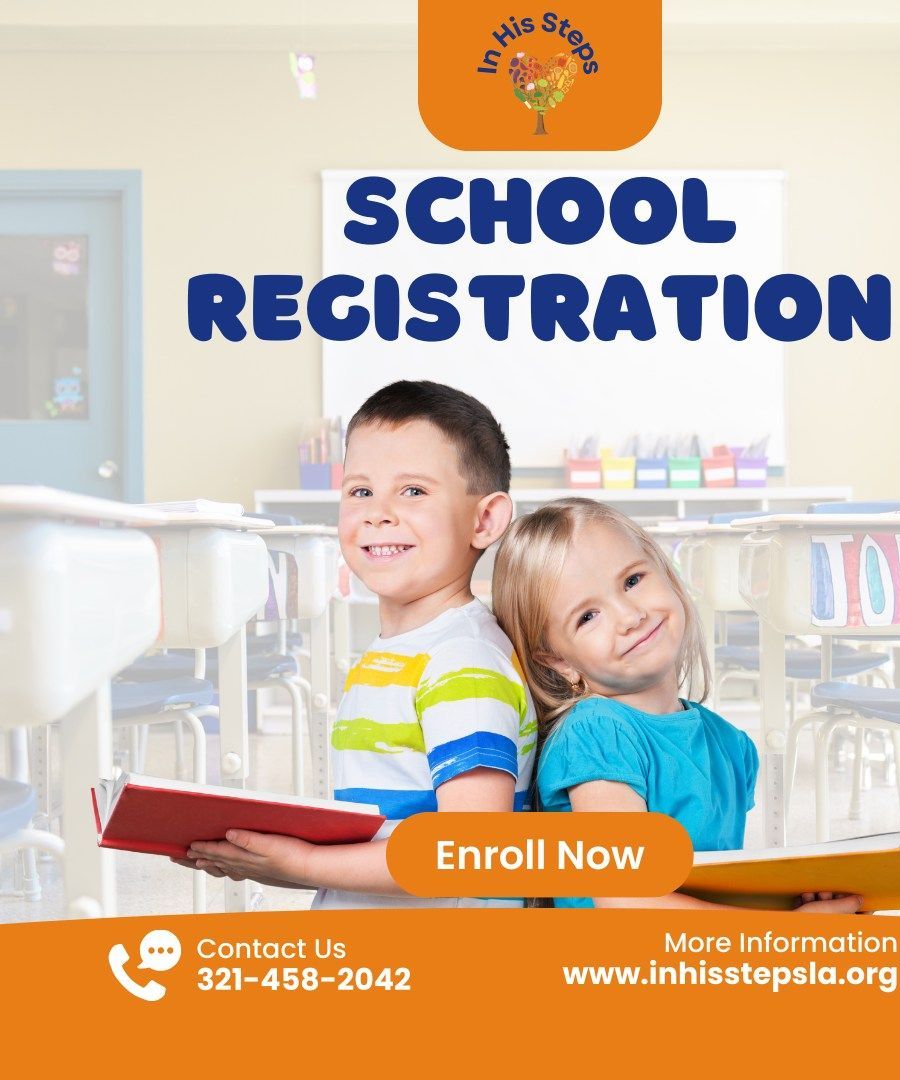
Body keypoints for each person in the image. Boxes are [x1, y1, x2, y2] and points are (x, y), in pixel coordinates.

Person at [182, 381, 537, 907]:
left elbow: (468, 852)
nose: (378, 513)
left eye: (413, 491)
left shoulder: (464, 664)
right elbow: (394, 838)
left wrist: (304, 862)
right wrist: (281, 862)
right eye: (360, 491)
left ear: (484, 519)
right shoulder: (409, 651)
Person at [491, 497, 860, 912]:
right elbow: (627, 902)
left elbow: (714, 892)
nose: (629, 615)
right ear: (559, 661)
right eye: (587, 616)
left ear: (667, 573)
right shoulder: (596, 731)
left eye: (632, 581)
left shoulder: (730, 744)